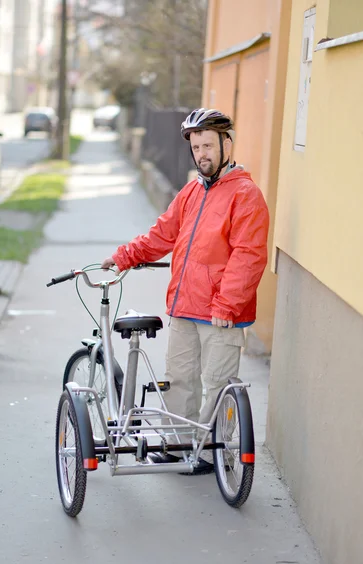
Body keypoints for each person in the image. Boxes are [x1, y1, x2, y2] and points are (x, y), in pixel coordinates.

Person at [102, 108, 269, 474]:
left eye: (208, 145)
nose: (202, 154)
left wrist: (227, 303)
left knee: (217, 384)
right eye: (196, 148)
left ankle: (212, 453)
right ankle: (178, 446)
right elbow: (162, 233)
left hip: (220, 313)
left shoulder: (246, 195)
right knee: (179, 380)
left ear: (227, 144)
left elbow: (249, 256)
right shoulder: (192, 191)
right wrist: (123, 258)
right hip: (184, 307)